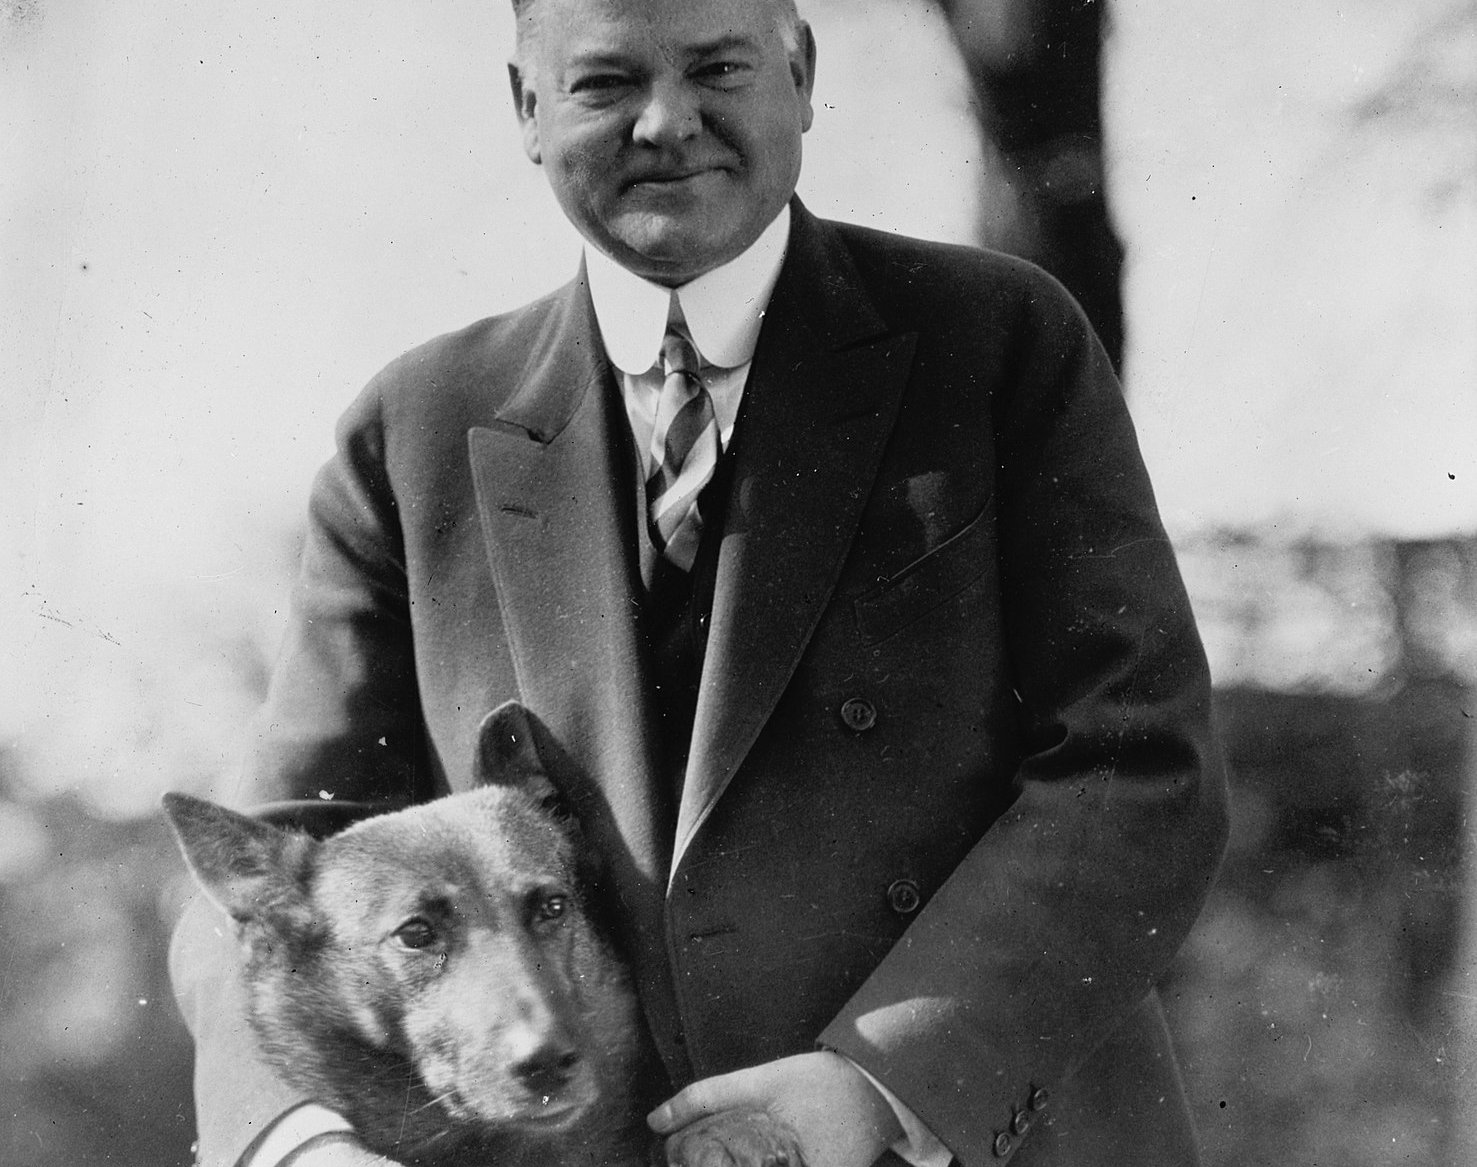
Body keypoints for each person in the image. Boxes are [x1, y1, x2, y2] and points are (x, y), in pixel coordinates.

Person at [169, 0, 1230, 1164]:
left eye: (717, 67)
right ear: (528, 111)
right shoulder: (413, 430)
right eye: (603, 84)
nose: (666, 122)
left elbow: (1137, 766)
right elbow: (275, 875)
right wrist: (296, 1140)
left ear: (801, 72)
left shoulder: (998, 339)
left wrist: (885, 1083)